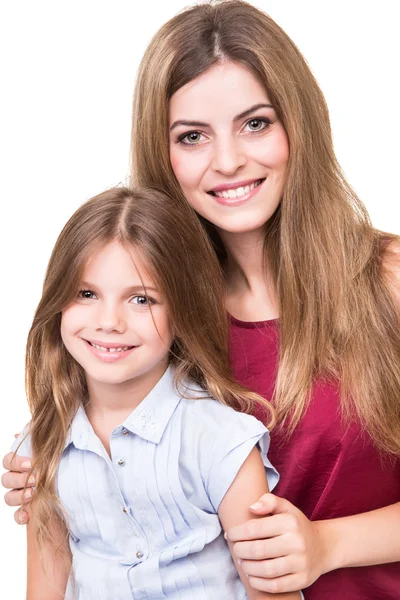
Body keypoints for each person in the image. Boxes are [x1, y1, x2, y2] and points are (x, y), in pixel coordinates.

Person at [3, 1, 400, 598]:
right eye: (192, 136)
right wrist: (64, 472)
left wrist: (328, 544)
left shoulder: (387, 279)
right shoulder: (152, 312)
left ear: (301, 124)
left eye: (256, 123)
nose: (228, 161)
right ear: (162, 152)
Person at [11, 185, 303, 600]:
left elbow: (272, 591)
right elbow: (45, 583)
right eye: (87, 294)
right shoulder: (43, 445)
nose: (109, 322)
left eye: (141, 299)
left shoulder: (220, 442)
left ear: (182, 310)